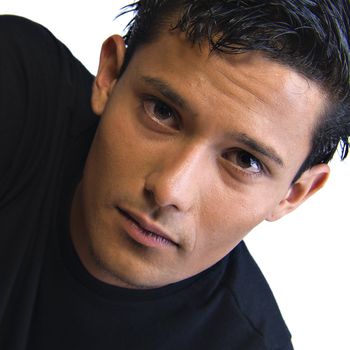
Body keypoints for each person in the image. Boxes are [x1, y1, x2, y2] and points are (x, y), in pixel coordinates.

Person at [0, 0, 349, 349]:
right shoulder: (18, 85)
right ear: (109, 76)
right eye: (162, 111)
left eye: (244, 160)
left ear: (294, 194)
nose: (169, 190)